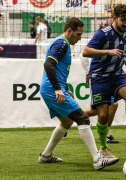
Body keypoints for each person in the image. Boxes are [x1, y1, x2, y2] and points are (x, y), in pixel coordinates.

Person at [38, 17, 119, 170]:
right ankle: (97, 159)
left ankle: (46, 156)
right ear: (69, 31)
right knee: (82, 118)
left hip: (51, 88)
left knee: (67, 122)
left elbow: (56, 69)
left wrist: (64, 87)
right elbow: (48, 64)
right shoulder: (62, 43)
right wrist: (57, 88)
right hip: (51, 89)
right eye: (78, 34)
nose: (80, 37)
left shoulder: (63, 44)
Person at [82, 4, 126, 159]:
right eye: (123, 20)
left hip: (116, 75)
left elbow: (119, 54)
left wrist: (121, 68)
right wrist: (108, 51)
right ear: (115, 18)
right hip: (100, 77)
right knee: (102, 114)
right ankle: (103, 148)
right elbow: (86, 51)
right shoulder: (103, 33)